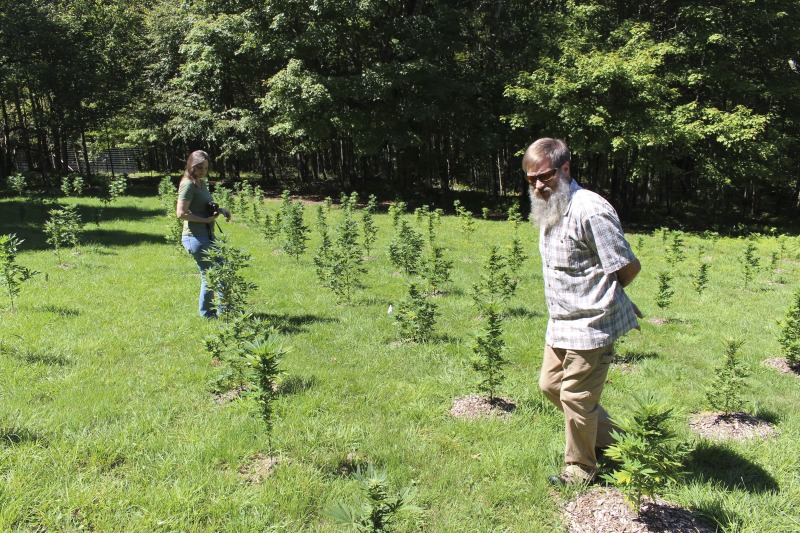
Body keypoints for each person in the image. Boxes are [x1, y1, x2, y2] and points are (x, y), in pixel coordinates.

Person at [523, 138, 642, 486]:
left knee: (576, 397)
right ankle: (617, 442)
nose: (538, 186)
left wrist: (610, 297)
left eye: (544, 176)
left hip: (592, 322)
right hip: (561, 320)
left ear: (565, 169)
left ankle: (580, 470)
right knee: (550, 385)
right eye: (531, 180)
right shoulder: (550, 207)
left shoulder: (590, 209)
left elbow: (627, 266)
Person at [176, 150, 231, 319]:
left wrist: (219, 210)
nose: (203, 171)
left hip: (207, 235)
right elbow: (181, 213)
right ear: (191, 166)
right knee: (210, 275)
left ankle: (226, 310)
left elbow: (204, 205)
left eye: (206, 168)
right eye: (199, 168)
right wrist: (206, 221)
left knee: (224, 269)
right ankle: (208, 315)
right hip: (195, 237)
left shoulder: (201, 183)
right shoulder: (188, 184)